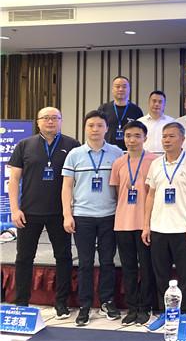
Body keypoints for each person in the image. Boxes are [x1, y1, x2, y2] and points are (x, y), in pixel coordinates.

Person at [7, 107, 80, 318]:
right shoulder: (24, 145)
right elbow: (14, 180)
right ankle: (21, 302)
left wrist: (70, 211)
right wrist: (15, 209)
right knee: (24, 258)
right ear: (38, 122)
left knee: (64, 257)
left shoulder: (72, 145)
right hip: (29, 212)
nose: (50, 121)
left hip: (60, 213)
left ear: (61, 121)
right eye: (46, 118)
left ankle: (61, 303)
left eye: (55, 118)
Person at [61, 110, 123, 326]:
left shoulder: (117, 153)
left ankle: (107, 301)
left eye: (99, 125)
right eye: (91, 125)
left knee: (107, 261)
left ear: (107, 128)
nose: (95, 129)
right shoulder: (75, 154)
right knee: (85, 263)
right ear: (85, 128)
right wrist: (67, 214)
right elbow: (66, 187)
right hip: (82, 217)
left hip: (109, 216)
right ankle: (85, 305)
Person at [142, 122, 186, 329]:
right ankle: (164, 312)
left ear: (182, 139)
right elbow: (150, 195)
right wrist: (146, 225)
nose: (166, 140)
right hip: (158, 228)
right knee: (161, 275)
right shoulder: (156, 164)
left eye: (171, 136)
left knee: (185, 276)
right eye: (164, 136)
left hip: (182, 229)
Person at [109, 121, 157, 325]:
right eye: (128, 136)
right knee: (128, 268)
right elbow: (115, 192)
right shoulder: (119, 162)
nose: (132, 140)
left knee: (146, 267)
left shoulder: (154, 161)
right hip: (122, 223)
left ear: (145, 138)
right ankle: (132, 307)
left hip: (146, 224)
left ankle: (145, 307)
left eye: (137, 136)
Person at [98, 76, 144, 151]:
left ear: (129, 89)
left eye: (124, 87)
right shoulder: (103, 109)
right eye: (117, 86)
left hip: (130, 151)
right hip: (107, 151)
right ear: (112, 89)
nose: (121, 89)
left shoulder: (136, 110)